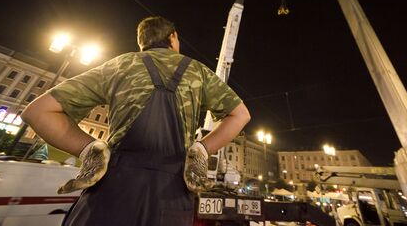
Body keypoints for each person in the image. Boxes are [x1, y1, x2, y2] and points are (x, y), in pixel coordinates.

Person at [21, 16, 250, 226]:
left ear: (142, 43)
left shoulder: (121, 65)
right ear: (173, 37)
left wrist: (89, 149)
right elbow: (240, 115)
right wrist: (201, 150)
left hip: (111, 189)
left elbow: (38, 111)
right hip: (170, 195)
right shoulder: (197, 71)